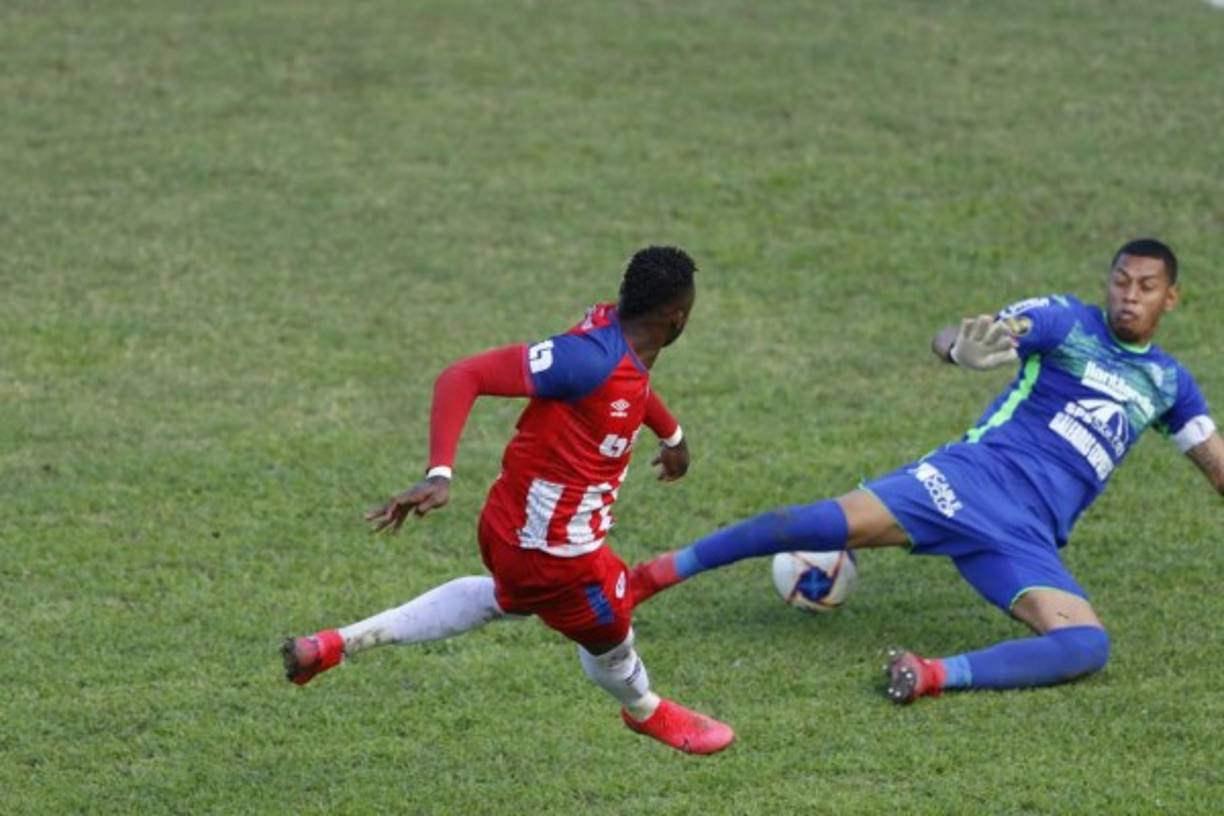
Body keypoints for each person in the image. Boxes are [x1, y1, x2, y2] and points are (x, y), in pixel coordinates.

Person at [631, 238, 1222, 703]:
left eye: (1146, 286)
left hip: (1025, 537)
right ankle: (650, 578)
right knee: (805, 523)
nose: (1129, 295)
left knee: (1086, 644)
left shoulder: (1169, 384)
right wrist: (959, 351)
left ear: (1170, 298)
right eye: (1121, 280)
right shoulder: (1067, 321)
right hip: (966, 481)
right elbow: (970, 335)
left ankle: (931, 674)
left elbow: (1215, 464)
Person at [282, 246, 735, 754]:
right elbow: (464, 376)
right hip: (559, 557)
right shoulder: (586, 361)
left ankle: (332, 645)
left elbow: (631, 385)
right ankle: (646, 710)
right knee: (613, 636)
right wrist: (439, 473)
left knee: (507, 600)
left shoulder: (609, 331)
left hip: (509, 526)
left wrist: (671, 434)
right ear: (678, 318)